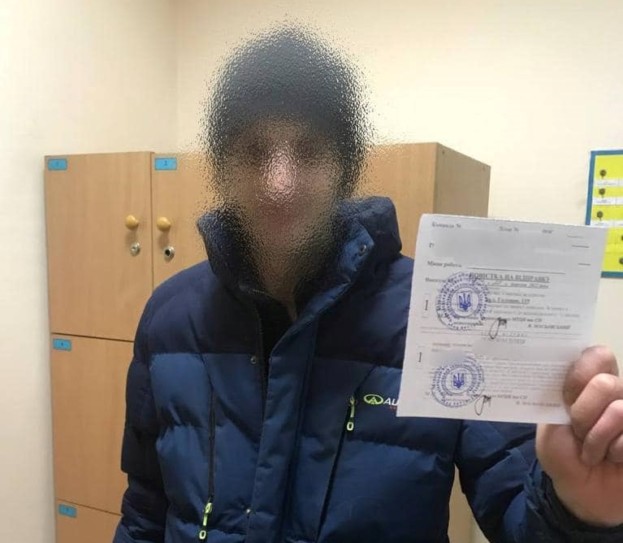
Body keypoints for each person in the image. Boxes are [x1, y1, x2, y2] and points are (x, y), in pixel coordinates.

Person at [114, 27, 623, 543]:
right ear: (223, 169)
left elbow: (518, 513)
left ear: (345, 167)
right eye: (254, 153)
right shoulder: (170, 317)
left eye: (308, 152)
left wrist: (579, 512)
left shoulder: (440, 318)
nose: (280, 183)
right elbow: (145, 513)